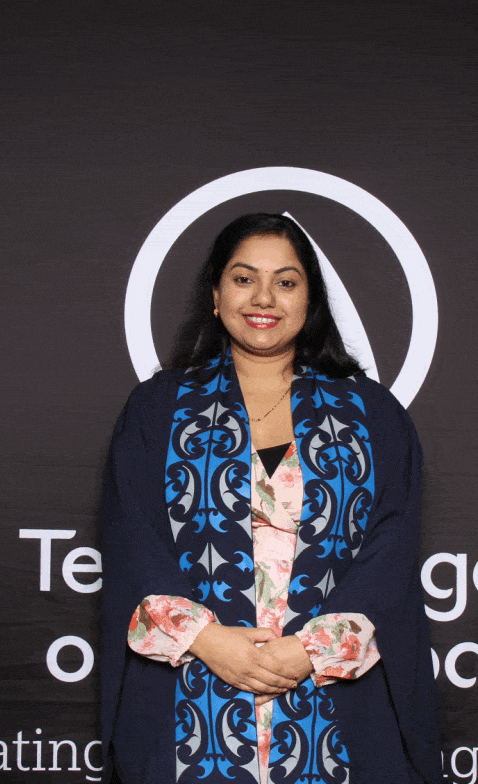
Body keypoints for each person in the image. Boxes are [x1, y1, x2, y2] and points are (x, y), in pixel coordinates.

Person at [100, 213, 440, 784]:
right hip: (191, 685)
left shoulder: (373, 415)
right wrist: (210, 642)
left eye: (285, 281)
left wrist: (308, 649)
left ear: (311, 300)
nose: (264, 298)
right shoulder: (157, 410)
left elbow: (391, 549)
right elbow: (134, 539)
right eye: (243, 279)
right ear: (215, 295)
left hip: (331, 690)